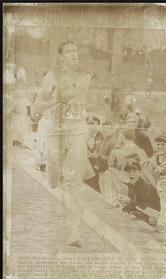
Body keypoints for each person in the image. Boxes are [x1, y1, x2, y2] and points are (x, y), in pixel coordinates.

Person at [30, 41, 94, 247]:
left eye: (76, 51)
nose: (74, 54)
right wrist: (55, 101)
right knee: (53, 181)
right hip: (55, 133)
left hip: (78, 132)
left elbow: (93, 105)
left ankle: (75, 232)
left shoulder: (86, 78)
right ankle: (50, 170)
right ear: (61, 57)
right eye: (69, 51)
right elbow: (36, 108)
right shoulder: (52, 77)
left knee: (72, 184)